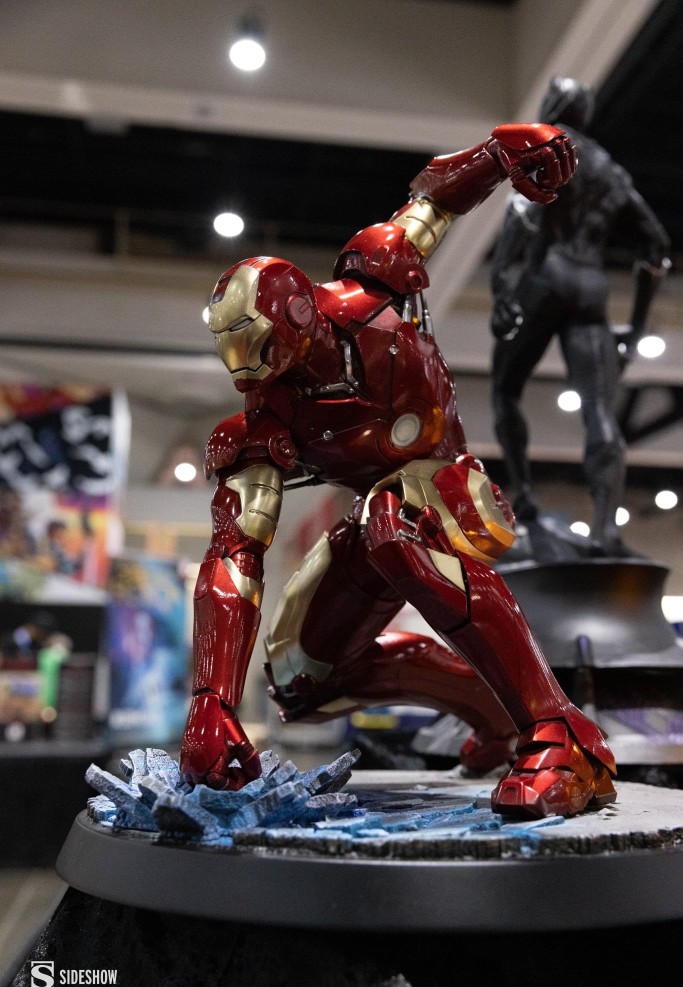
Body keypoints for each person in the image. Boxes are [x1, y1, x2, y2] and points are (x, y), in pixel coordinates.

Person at [180, 122, 616, 818]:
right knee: (301, 678)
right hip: (380, 516)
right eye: (230, 352)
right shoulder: (266, 419)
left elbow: (432, 202)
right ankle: (493, 717)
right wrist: (212, 700)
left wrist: (498, 155)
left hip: (450, 487)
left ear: (298, 318)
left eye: (255, 348)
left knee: (392, 521)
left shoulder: (372, 286)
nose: (246, 372)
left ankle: (561, 732)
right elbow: (235, 556)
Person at [490, 77, 670, 553]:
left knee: (506, 389)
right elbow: (656, 245)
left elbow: (522, 212)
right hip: (591, 284)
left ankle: (525, 497)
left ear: (553, 103)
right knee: (599, 409)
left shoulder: (550, 146)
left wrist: (500, 285)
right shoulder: (612, 171)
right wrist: (636, 324)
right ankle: (606, 528)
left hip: (546, 275)